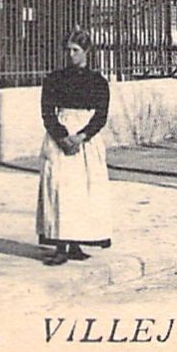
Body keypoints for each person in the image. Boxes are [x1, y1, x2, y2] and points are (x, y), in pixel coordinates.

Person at [37, 28, 112, 266]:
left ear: (87, 52)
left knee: (82, 192)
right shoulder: (53, 79)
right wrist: (62, 137)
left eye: (76, 50)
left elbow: (101, 115)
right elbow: (47, 113)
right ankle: (60, 245)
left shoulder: (98, 82)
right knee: (59, 189)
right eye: (68, 50)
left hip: (85, 142)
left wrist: (81, 137)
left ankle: (77, 243)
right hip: (60, 137)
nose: (71, 55)